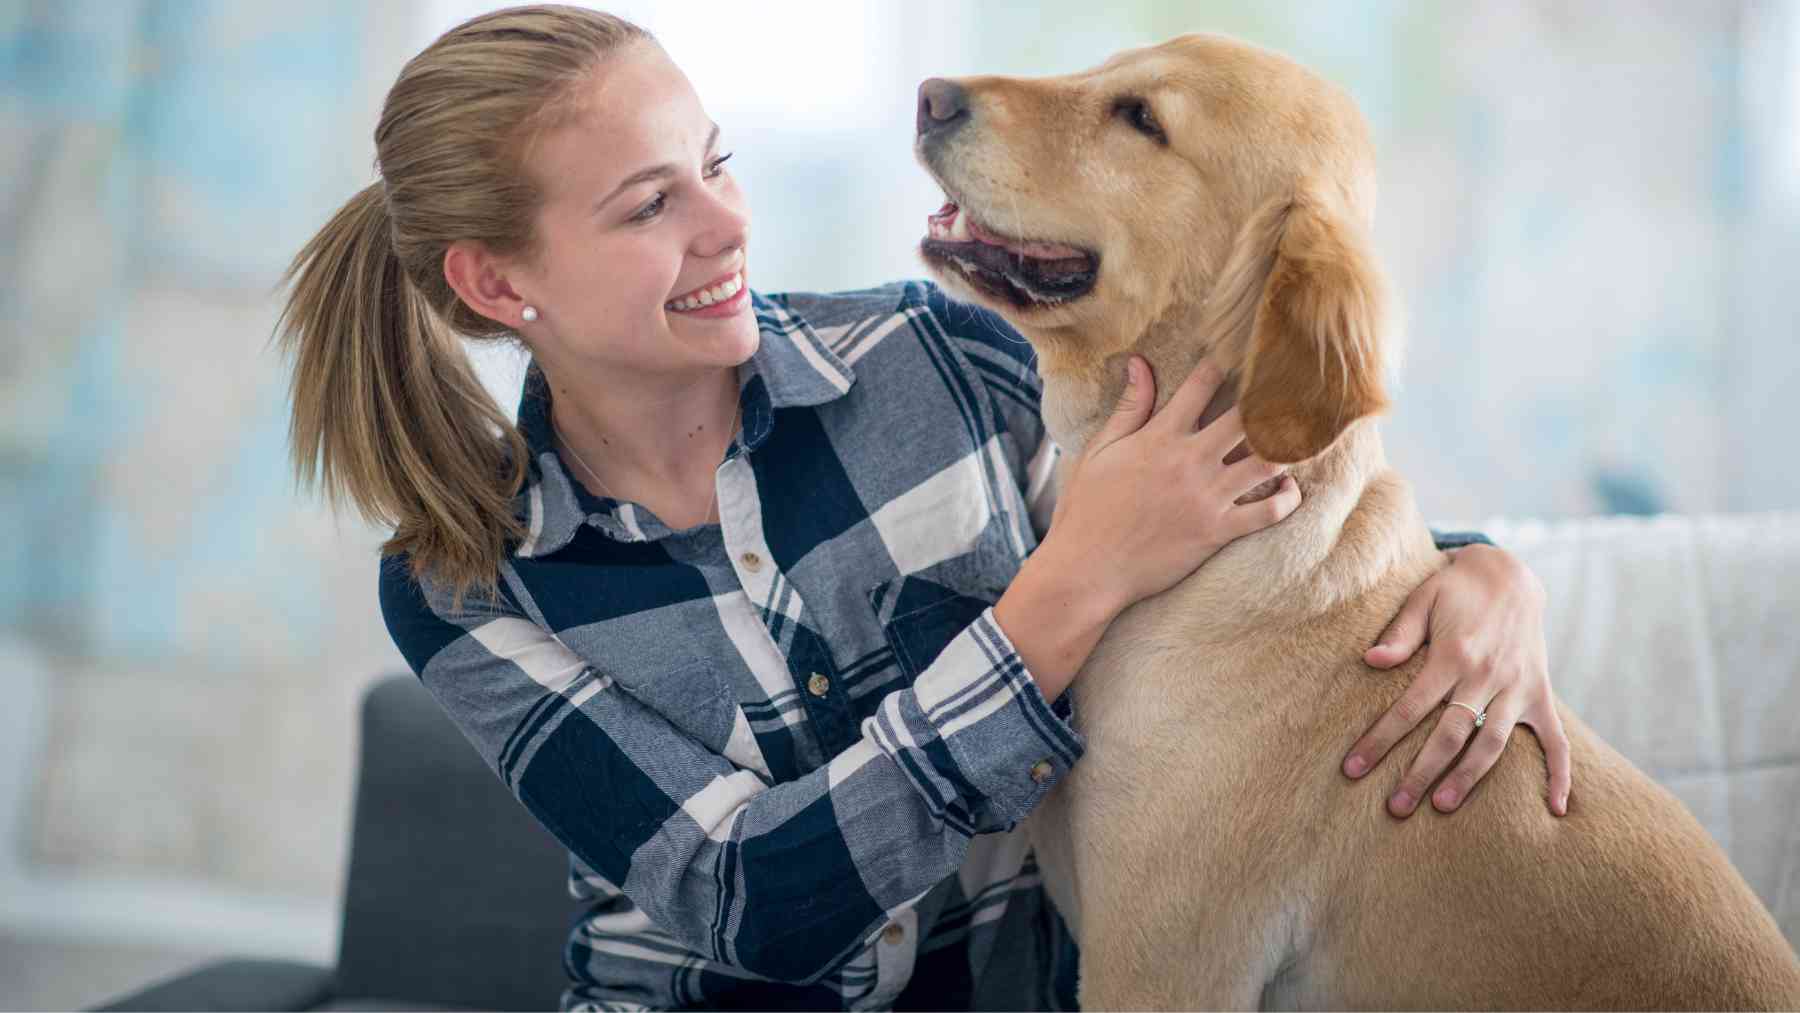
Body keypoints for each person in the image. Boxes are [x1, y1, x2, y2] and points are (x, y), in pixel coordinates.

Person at [277, 6, 1571, 1010]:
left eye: (715, 162)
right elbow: (755, 899)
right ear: (499, 286)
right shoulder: (464, 583)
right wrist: (1065, 592)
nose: (728, 222)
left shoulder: (936, 356)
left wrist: (1475, 574)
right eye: (649, 204)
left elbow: (1231, 493)